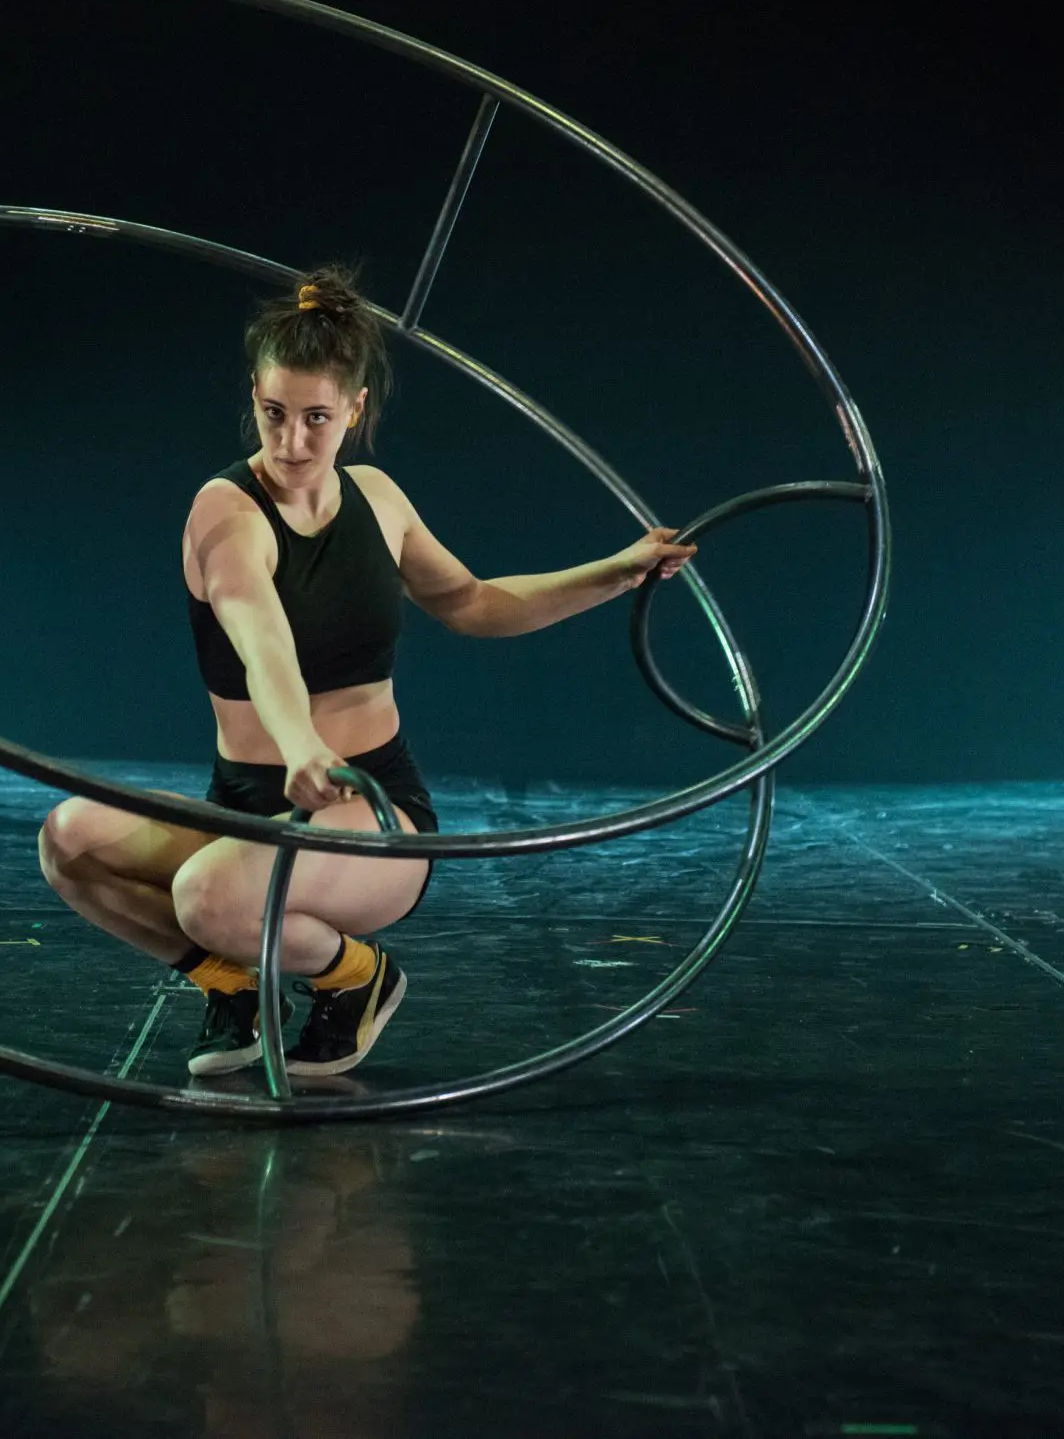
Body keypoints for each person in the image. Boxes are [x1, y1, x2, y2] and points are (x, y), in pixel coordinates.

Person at [37, 268, 695, 1079]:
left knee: (210, 897)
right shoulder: (225, 510)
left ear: (355, 408)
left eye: (317, 418)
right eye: (274, 414)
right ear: (253, 395)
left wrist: (616, 572)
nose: (291, 442)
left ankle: (359, 979)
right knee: (68, 840)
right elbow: (260, 636)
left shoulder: (379, 500)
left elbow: (474, 603)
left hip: (372, 813)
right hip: (252, 801)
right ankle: (234, 984)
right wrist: (297, 742)